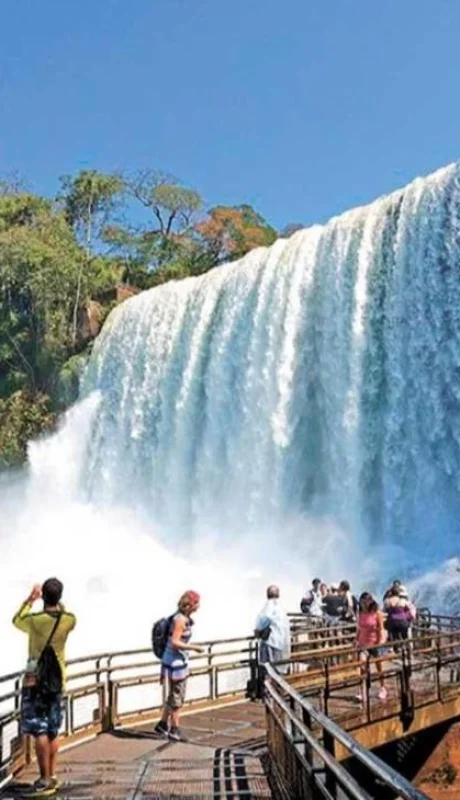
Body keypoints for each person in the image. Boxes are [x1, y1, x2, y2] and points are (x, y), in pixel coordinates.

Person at [13, 579, 76, 797]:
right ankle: (52, 774)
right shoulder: (68, 620)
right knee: (52, 730)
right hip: (58, 681)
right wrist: (57, 603)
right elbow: (65, 612)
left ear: (43, 597)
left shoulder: (35, 621)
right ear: (59, 597)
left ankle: (44, 779)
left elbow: (16, 620)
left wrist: (30, 600)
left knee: (39, 730)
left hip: (35, 683)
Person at [154, 590, 203, 742]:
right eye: (197, 603)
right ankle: (174, 729)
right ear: (190, 605)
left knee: (173, 694)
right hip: (176, 664)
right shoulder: (180, 620)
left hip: (172, 661)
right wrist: (194, 647)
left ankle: (162, 724)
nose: (199, 606)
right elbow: (175, 642)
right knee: (178, 696)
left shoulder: (180, 617)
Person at [356, 593, 387, 704]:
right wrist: (356, 639)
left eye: (365, 603)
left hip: (375, 643)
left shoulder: (377, 613)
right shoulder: (360, 613)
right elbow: (359, 629)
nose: (363, 605)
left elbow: (381, 629)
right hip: (363, 643)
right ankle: (362, 691)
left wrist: (381, 641)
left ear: (370, 602)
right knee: (362, 665)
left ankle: (383, 687)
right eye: (361, 603)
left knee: (379, 667)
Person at [255, 585, 291, 666]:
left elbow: (264, 619)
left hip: (270, 641)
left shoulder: (269, 604)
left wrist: (258, 629)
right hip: (280, 642)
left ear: (267, 594)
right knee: (277, 666)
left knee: (268, 666)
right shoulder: (281, 606)